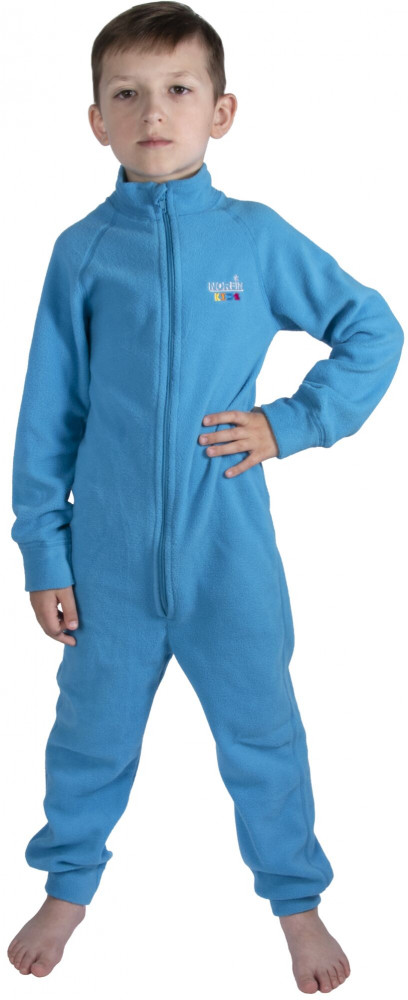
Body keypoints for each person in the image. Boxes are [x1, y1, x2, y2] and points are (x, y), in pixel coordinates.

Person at [7, 2, 404, 991]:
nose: (154, 112)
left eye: (178, 90)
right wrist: (45, 553)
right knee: (88, 734)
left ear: (220, 112)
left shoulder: (255, 240)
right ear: (95, 120)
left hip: (228, 550)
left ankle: (298, 903)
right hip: (105, 560)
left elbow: (372, 328)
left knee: (264, 730)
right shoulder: (82, 251)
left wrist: (291, 422)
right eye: (127, 94)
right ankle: (68, 885)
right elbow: (46, 417)